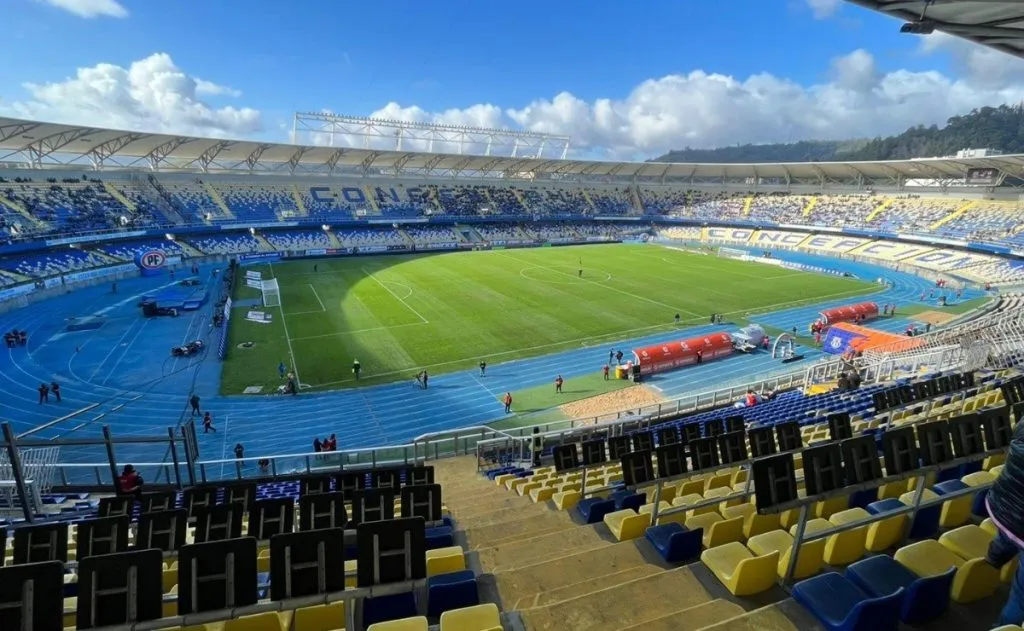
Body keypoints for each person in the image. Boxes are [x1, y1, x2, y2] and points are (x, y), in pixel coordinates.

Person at [983, 419, 1024, 625]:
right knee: (1022, 596)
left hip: (1004, 504)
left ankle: (994, 558)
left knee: (1007, 533)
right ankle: (1005, 627)